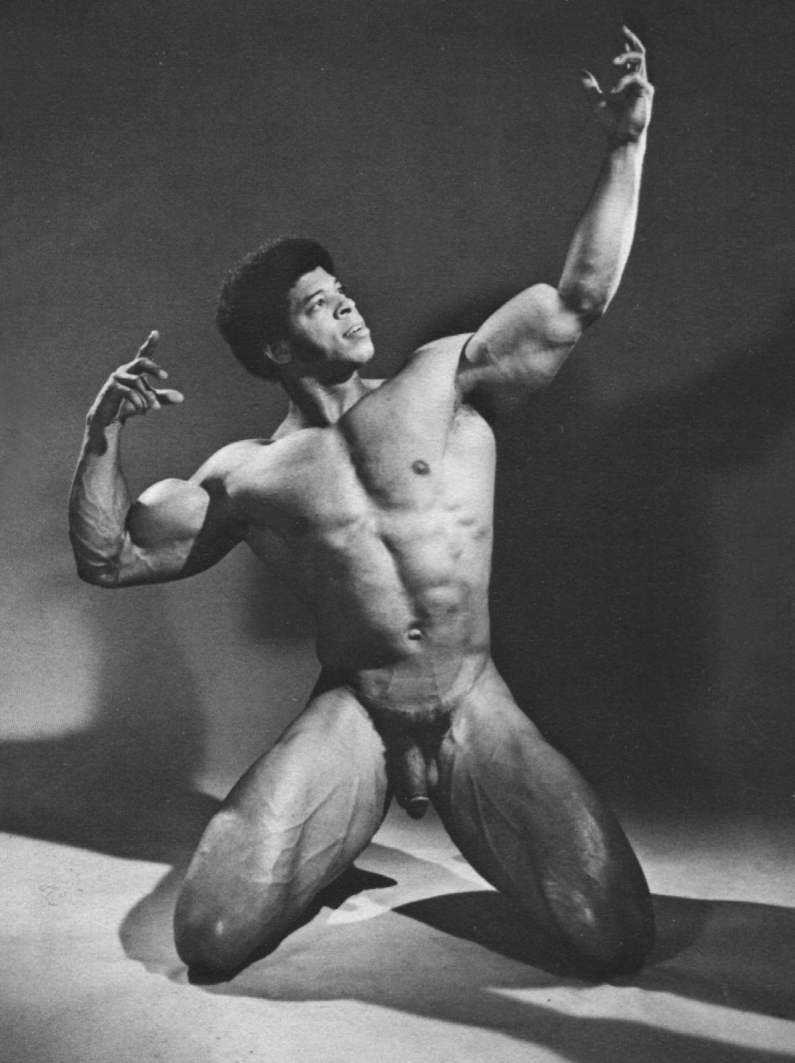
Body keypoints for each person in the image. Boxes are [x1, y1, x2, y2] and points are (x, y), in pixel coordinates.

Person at [69, 27, 655, 979]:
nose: (346, 305)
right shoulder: (247, 474)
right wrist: (100, 436)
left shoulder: (443, 381)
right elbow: (109, 559)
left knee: (616, 933)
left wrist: (625, 142)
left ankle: (396, 828)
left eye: (340, 291)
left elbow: (575, 299)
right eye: (318, 303)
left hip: (472, 701)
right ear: (276, 350)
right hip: (355, 715)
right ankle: (329, 842)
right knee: (207, 938)